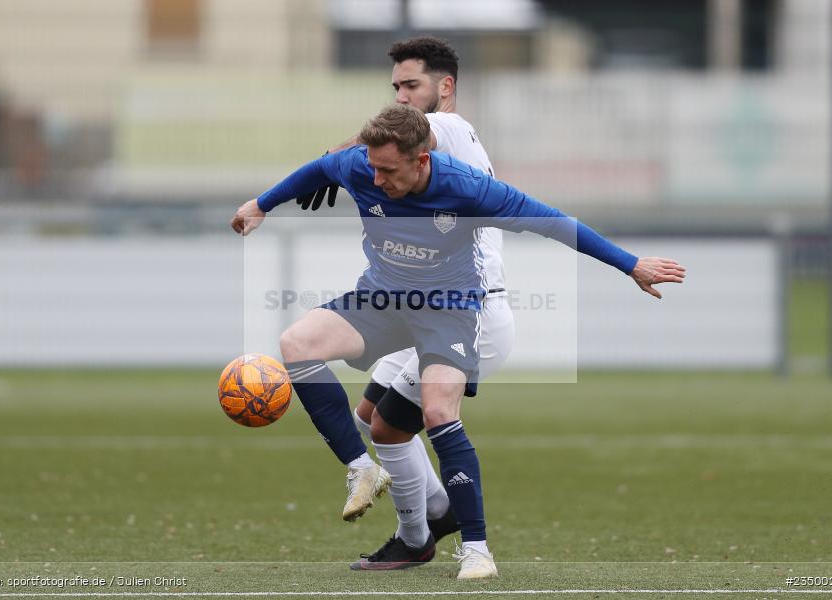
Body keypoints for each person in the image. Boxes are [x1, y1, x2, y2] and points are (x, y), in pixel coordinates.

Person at [231, 104, 686, 579]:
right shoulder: (361, 165)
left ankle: (476, 550)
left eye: (388, 170)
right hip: (382, 298)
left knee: (438, 413)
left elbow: (553, 221)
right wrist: (259, 205)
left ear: (421, 160)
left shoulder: (467, 187)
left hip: (446, 310)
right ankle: (362, 468)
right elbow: (318, 169)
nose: (377, 179)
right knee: (297, 343)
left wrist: (630, 264)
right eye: (373, 167)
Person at [298, 37, 514, 571]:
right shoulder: (431, 140)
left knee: (394, 427)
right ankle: (435, 511)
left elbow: (383, 138)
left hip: (470, 310)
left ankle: (423, 531)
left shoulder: (445, 127)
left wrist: (330, 160)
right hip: (425, 306)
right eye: (395, 86)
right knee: (370, 415)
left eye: (411, 85)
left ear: (446, 87)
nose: (400, 97)